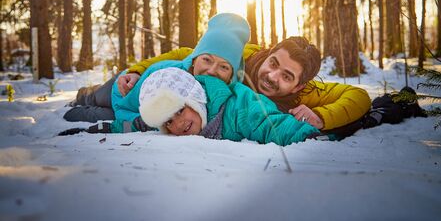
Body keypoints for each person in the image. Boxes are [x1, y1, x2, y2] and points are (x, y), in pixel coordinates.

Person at [65, 36, 371, 134]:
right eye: (274, 64)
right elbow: (186, 55)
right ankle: (83, 94)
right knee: (106, 93)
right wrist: (135, 70)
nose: (272, 76)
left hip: (167, 109)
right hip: (146, 84)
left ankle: (84, 108)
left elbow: (358, 95)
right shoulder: (242, 56)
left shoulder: (306, 94)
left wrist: (322, 117)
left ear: (297, 87)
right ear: (268, 55)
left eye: (287, 76)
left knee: (102, 115)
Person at [60, 67, 323, 147]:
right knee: (88, 105)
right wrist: (96, 130)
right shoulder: (164, 112)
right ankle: (82, 97)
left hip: (138, 87)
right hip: (127, 89)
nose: (178, 125)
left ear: (194, 100)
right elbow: (132, 123)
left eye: (180, 112)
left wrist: (311, 134)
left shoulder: (237, 107)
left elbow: (269, 124)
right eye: (168, 123)